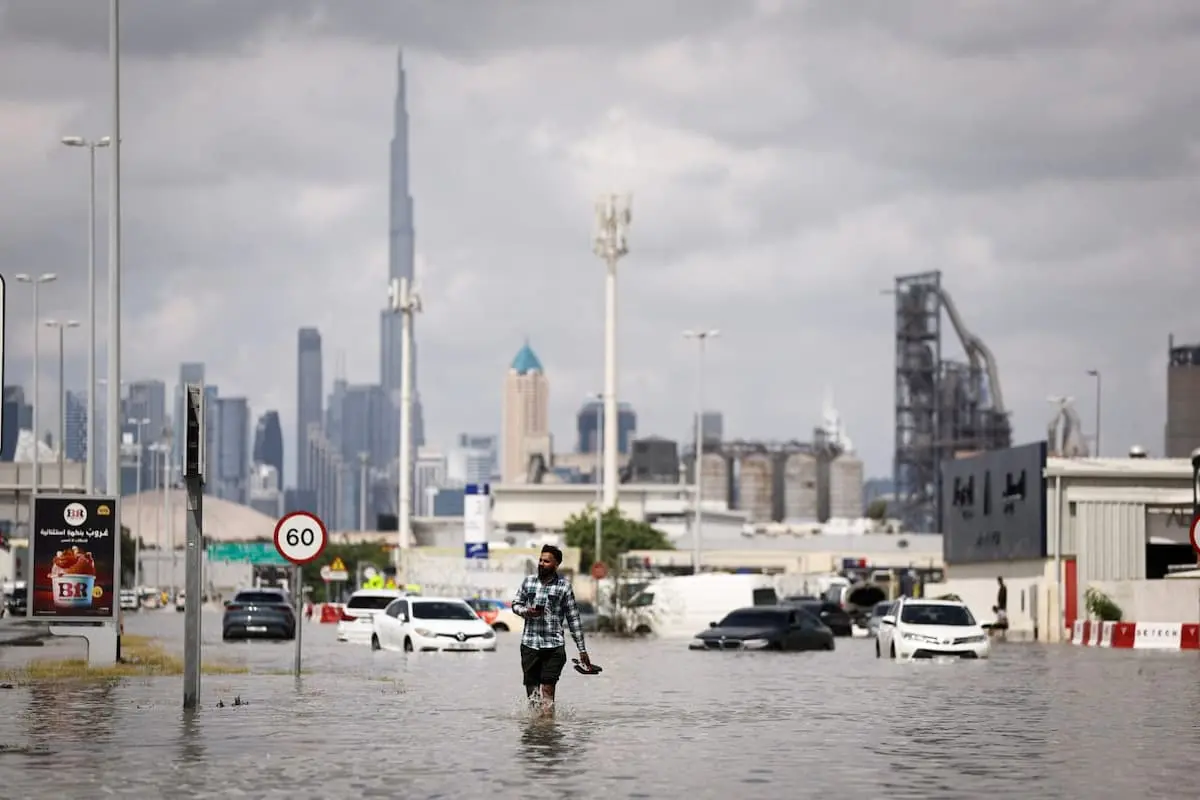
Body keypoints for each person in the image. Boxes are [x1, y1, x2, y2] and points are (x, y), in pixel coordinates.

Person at [511, 545, 591, 717]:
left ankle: (547, 731)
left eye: (546, 561)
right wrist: (527, 612)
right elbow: (515, 604)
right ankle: (535, 732)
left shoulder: (564, 587)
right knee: (532, 694)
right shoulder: (528, 582)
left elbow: (573, 619)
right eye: (540, 560)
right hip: (529, 645)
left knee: (548, 689)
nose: (541, 564)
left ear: (556, 564)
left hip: (554, 646)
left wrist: (581, 649)